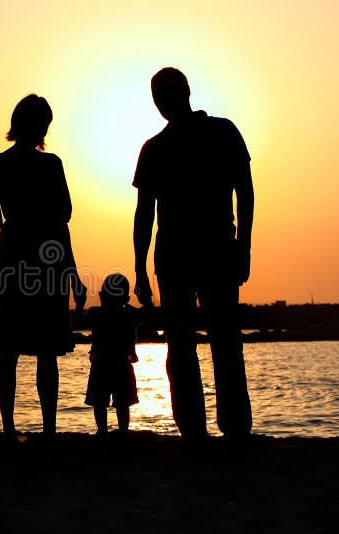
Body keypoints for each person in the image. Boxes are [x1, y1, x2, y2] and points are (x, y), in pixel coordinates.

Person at [132, 67, 254, 441]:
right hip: (192, 254)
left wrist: (243, 247)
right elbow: (145, 214)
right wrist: (243, 246)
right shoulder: (209, 135)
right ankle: (209, 430)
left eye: (163, 97)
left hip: (201, 252)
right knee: (209, 343)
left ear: (182, 93)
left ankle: (212, 429)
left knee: (201, 344)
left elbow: (245, 192)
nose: (163, 104)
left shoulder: (216, 133)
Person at [0, 94, 86, 439]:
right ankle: (44, 431)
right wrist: (71, 273)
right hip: (43, 256)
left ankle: (15, 429)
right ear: (39, 126)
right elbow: (61, 220)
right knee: (41, 349)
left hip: (16, 255)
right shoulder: (49, 164)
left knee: (16, 348)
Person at [77, 273, 140, 436]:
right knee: (122, 403)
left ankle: (103, 431)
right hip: (121, 364)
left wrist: (79, 306)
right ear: (126, 299)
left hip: (102, 365)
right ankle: (123, 430)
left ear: (102, 295)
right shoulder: (128, 315)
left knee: (100, 401)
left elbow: (80, 318)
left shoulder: (96, 314)